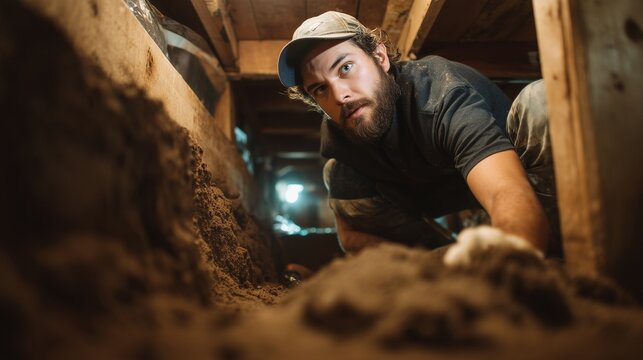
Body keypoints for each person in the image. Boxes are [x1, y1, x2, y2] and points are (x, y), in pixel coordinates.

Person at [277, 11, 558, 256]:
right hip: (433, 192)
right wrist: (425, 268)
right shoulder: (340, 137)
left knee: (540, 100)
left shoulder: (437, 96)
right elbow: (349, 238)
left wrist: (514, 267)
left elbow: (504, 190)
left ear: (379, 56)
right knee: (335, 175)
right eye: (320, 89)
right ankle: (443, 254)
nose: (340, 95)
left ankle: (557, 238)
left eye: (346, 68)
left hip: (517, 182)